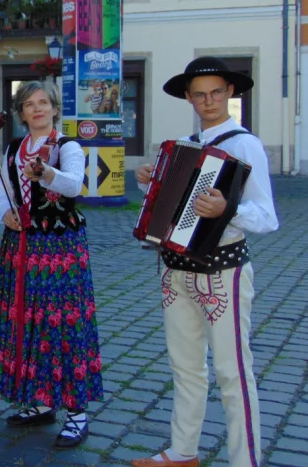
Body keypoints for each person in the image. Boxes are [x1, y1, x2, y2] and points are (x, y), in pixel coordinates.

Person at [131, 57, 278, 467]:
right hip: (175, 269)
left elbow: (267, 216)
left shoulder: (244, 144)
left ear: (230, 93)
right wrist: (151, 184)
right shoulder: (185, 146)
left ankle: (245, 461)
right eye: (199, 94)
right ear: (189, 98)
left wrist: (226, 211)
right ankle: (183, 452)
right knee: (185, 367)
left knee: (233, 373)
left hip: (222, 271)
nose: (208, 100)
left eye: (216, 92)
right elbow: (168, 215)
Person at [0, 80, 102, 449]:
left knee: (63, 323)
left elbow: (74, 185)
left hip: (59, 248)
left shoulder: (68, 146)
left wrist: (47, 174)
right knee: (26, 321)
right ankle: (40, 401)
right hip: (21, 244)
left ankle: (77, 413)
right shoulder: (12, 148)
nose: (37, 109)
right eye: (29, 104)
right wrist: (5, 212)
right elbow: (2, 188)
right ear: (22, 113)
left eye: (43, 103)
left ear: (55, 108)